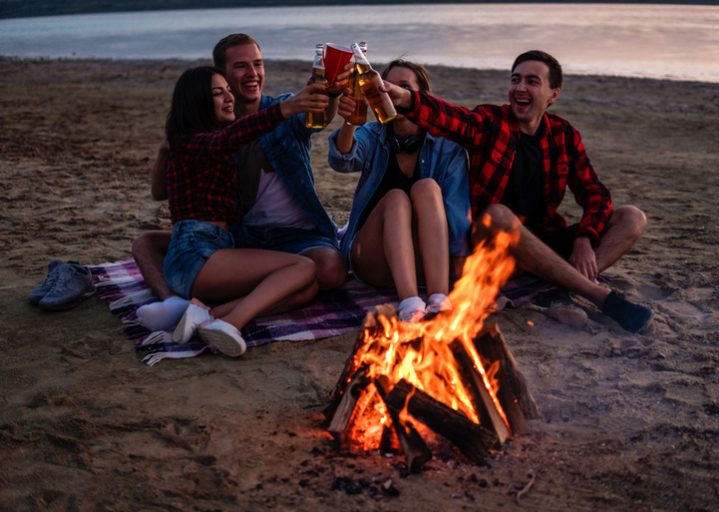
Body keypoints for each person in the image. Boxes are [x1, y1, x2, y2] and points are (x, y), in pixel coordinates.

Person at [383, 50, 653, 333]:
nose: (520, 88)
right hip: (494, 248)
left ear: (553, 94)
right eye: (515, 80)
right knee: (498, 214)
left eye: (532, 81)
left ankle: (563, 286)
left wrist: (585, 237)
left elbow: (594, 193)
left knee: (632, 218)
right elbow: (451, 118)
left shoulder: (564, 135)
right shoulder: (491, 122)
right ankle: (598, 296)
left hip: (545, 242)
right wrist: (407, 99)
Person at [132, 34, 348, 331]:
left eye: (258, 64)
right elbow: (162, 191)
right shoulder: (214, 134)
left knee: (326, 274)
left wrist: (332, 91)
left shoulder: (285, 107)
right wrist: (165, 149)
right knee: (145, 243)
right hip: (240, 237)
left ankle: (207, 312)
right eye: (241, 66)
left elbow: (318, 116)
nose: (253, 74)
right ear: (223, 75)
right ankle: (173, 302)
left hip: (293, 236)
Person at [160, 65, 329, 357]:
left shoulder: (201, 143)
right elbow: (229, 139)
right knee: (302, 267)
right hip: (195, 255)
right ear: (197, 101)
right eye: (218, 93)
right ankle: (230, 323)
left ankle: (206, 315)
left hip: (214, 250)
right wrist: (285, 109)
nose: (229, 98)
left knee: (305, 289)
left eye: (228, 91)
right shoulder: (193, 142)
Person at [328, 60, 471, 322]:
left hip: (424, 261)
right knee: (396, 197)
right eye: (387, 85)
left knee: (427, 187)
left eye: (404, 86)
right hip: (373, 259)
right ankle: (410, 303)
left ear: (421, 98)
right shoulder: (374, 134)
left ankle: (439, 299)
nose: (393, 92)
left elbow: (457, 215)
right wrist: (350, 123)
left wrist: (460, 268)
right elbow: (342, 160)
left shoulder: (447, 147)